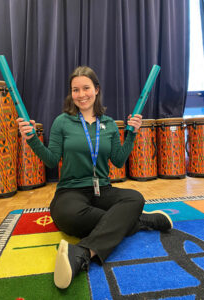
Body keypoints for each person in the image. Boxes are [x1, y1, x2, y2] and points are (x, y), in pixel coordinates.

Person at [17, 66, 173, 289]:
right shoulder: (62, 121)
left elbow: (118, 160)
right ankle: (139, 221)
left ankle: (82, 252)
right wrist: (31, 139)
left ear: (96, 90)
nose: (81, 94)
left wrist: (132, 133)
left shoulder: (108, 124)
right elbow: (51, 161)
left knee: (135, 198)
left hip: (104, 189)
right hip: (71, 190)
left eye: (86, 88)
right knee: (66, 215)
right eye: (75, 90)